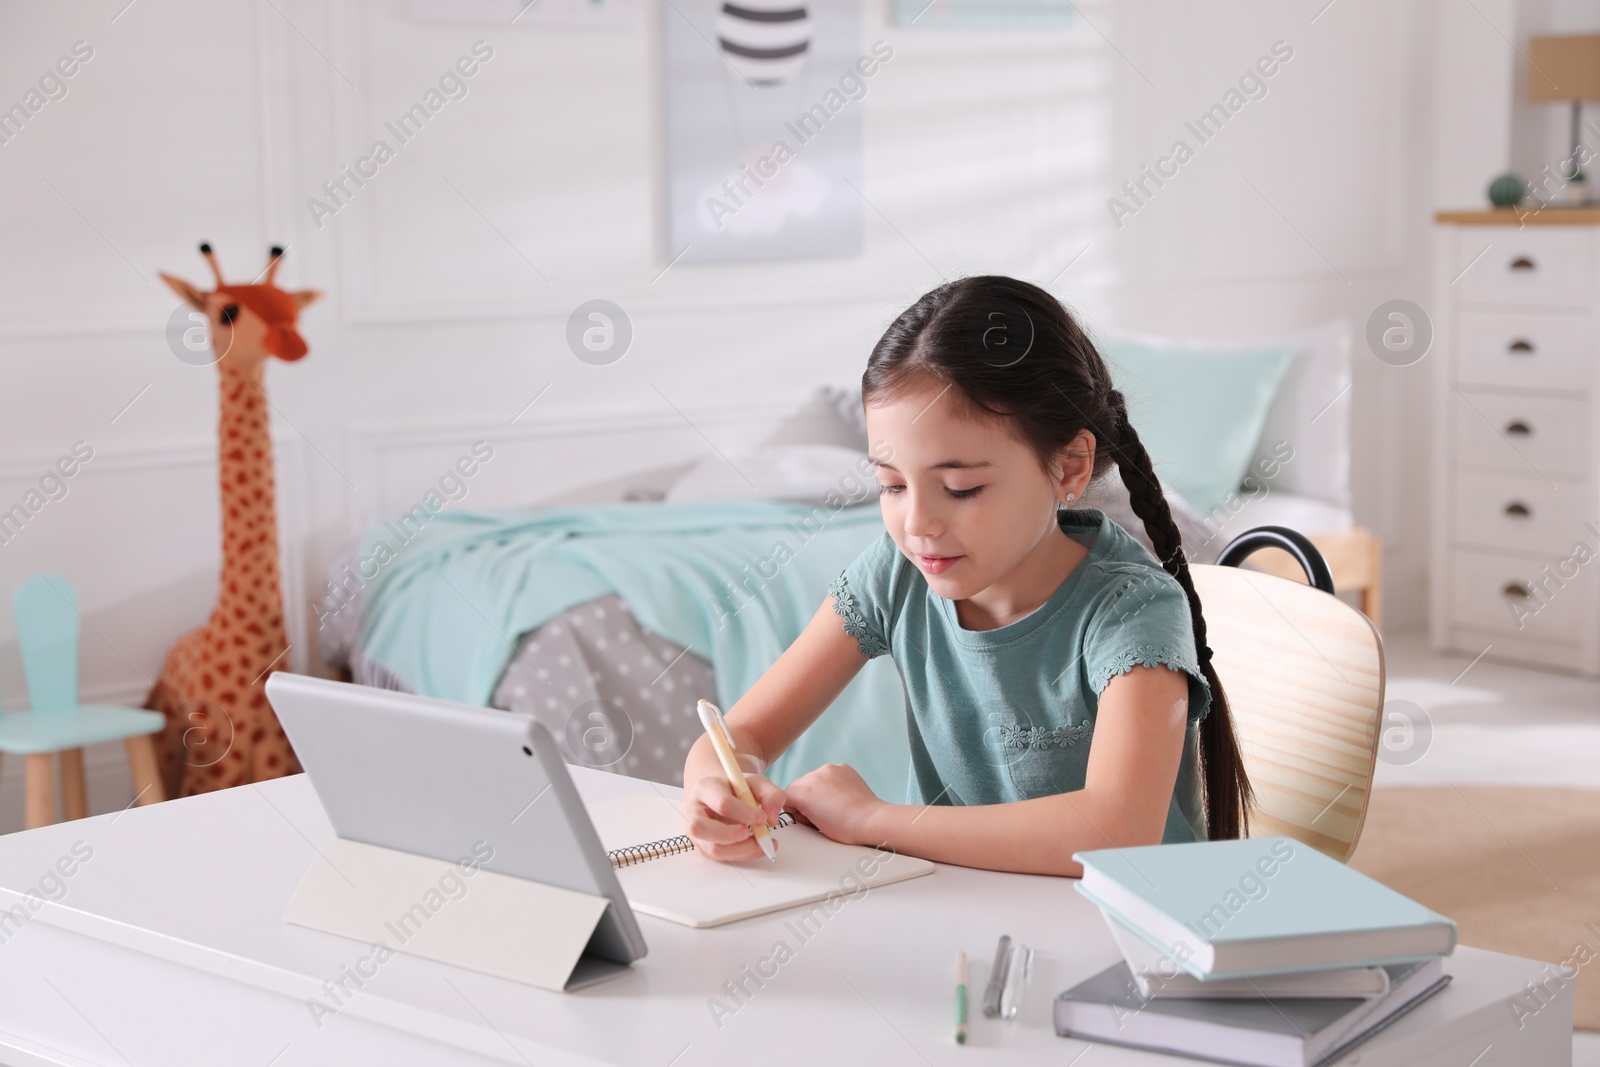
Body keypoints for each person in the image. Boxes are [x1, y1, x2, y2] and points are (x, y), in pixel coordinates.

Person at [680, 276, 1252, 877]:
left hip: (1127, 943)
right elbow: (738, 733)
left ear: (1070, 467)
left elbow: (1116, 831)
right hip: (967, 922)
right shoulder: (896, 575)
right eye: (893, 485)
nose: (918, 523)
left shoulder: (1134, 611)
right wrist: (715, 785)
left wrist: (871, 819)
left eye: (961, 488)